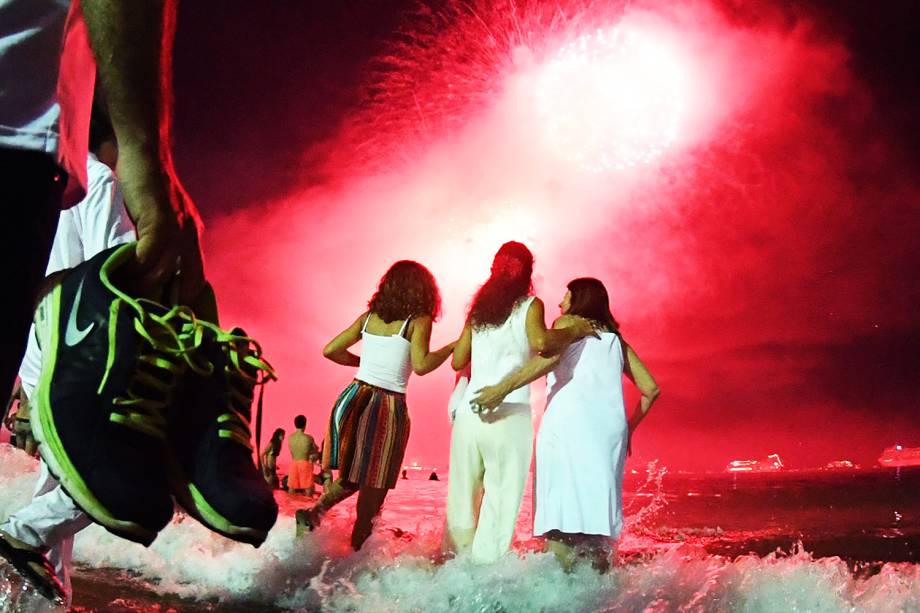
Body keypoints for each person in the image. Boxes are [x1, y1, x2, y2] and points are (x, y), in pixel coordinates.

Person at [472, 278, 660, 571]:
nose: (560, 302)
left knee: (559, 516)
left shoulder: (567, 323)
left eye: (565, 295)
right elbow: (651, 390)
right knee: (598, 524)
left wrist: (501, 388)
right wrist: (629, 429)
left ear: (577, 300)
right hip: (608, 433)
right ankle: (600, 591)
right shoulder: (616, 340)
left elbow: (546, 361)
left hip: (568, 426)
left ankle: (558, 586)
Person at [443, 242, 594, 564]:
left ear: (492, 272)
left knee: (462, 498)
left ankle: (452, 568)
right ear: (527, 274)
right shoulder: (531, 305)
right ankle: (485, 580)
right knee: (499, 500)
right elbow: (541, 342)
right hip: (509, 415)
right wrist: (573, 331)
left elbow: (458, 360)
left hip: (470, 416)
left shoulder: (478, 312)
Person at [296, 260, 455, 550]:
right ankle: (358, 561)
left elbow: (330, 350)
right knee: (375, 487)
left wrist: (363, 362)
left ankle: (314, 513)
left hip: (353, 397)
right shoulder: (418, 320)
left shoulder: (369, 317)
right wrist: (452, 347)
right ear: (422, 290)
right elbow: (421, 365)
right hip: (385, 405)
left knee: (353, 476)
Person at [4, 380, 38, 457]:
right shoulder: (41, 381)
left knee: (19, 455)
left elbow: (11, 397)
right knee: (28, 457)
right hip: (31, 422)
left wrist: (5, 416)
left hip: (18, 421)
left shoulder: (23, 383)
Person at [288, 415, 318, 496]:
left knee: (292, 491)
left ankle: (291, 507)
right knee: (308, 490)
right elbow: (315, 450)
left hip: (293, 464)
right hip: (305, 464)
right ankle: (307, 506)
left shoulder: (290, 438)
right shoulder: (309, 438)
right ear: (305, 424)